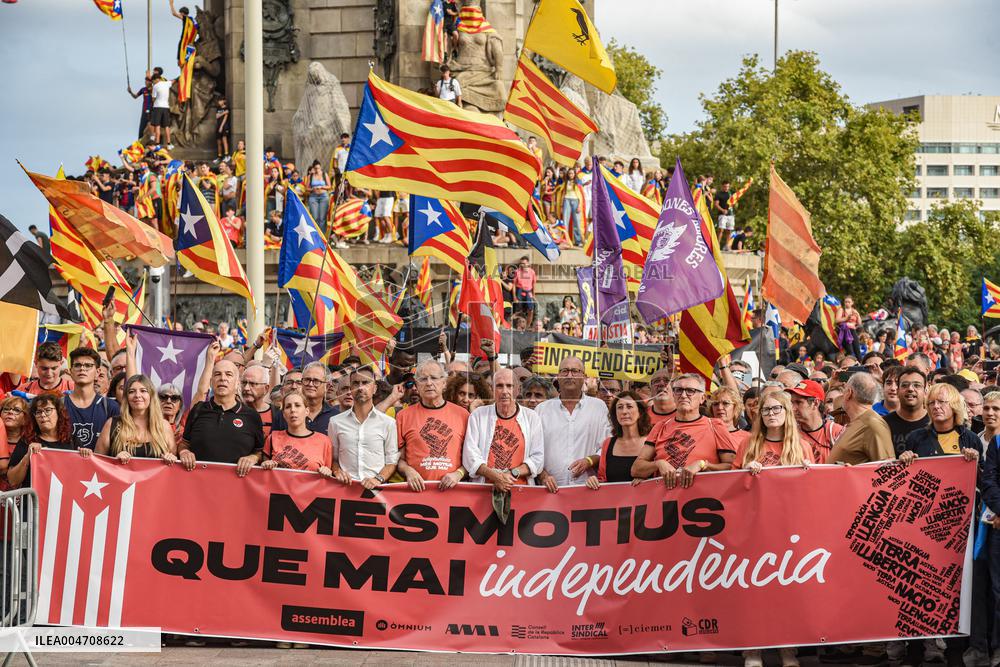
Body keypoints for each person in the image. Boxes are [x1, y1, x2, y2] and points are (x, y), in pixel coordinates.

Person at [632, 373, 736, 488]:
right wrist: (659, 464)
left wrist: (703, 465)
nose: (683, 395)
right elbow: (636, 469)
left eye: (690, 390)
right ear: (673, 395)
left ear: (702, 398)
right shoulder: (660, 426)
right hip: (667, 500)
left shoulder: (715, 425)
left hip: (704, 498)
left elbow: (732, 466)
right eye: (678, 390)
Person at [535, 356, 611, 491]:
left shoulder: (598, 407)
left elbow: (607, 446)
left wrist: (589, 461)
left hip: (588, 490)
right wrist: (543, 476)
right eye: (565, 371)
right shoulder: (542, 409)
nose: (569, 375)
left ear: (584, 376)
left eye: (575, 371)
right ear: (558, 376)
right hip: (549, 492)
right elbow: (533, 451)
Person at [179, 360, 265, 476]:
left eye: (228, 374)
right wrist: (184, 452)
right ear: (211, 382)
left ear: (237, 383)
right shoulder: (198, 410)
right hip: (197, 485)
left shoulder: (252, 416)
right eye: (217, 374)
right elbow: (185, 443)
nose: (222, 378)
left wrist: (252, 458)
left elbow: (259, 451)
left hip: (237, 487)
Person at [463, 368, 544, 490]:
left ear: (518, 390)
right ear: (492, 389)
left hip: (522, 492)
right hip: (484, 491)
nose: (504, 391)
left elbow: (537, 459)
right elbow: (470, 457)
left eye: (509, 386)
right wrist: (495, 476)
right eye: (500, 386)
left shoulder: (532, 418)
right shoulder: (478, 415)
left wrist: (512, 473)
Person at [394, 360, 469, 491]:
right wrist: (408, 471)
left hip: (455, 494)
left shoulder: (463, 415)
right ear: (416, 384)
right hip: (417, 494)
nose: (429, 383)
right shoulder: (403, 416)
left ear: (444, 383)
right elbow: (397, 459)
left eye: (434, 378)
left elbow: (473, 458)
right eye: (423, 379)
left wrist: (458, 474)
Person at [328, 366, 398, 488]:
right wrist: (337, 471)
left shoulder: (388, 423)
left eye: (365, 382)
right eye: (356, 383)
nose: (360, 387)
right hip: (344, 490)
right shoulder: (335, 422)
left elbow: (391, 462)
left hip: (377, 493)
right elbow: (333, 458)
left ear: (374, 388)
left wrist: (378, 479)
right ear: (350, 388)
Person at [95, 375, 176, 463]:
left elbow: (174, 464)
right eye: (132, 391)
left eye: (143, 391)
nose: (137, 395)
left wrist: (171, 459)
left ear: (151, 395)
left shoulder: (164, 426)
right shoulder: (111, 424)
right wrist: (114, 461)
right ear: (126, 397)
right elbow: (97, 462)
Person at [827, 372, 894, 465]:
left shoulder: (873, 424)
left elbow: (887, 470)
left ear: (848, 393)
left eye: (844, 391)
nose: (842, 395)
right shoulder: (859, 421)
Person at [587, 391, 649, 488]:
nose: (624, 412)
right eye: (620, 407)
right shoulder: (608, 444)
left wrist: (647, 482)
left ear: (640, 412)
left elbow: (658, 477)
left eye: (629, 406)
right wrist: (593, 481)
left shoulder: (651, 441)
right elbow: (602, 479)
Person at [261, 392, 333, 475]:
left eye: (297, 405)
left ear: (307, 411)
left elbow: (329, 475)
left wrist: (328, 472)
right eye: (288, 407)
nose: (293, 410)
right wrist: (266, 465)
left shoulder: (324, 441)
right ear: (283, 414)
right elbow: (264, 476)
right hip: (278, 488)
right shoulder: (272, 438)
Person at [64, 347, 120, 451]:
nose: (82, 369)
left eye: (88, 365)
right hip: (65, 465)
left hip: (99, 466)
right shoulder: (59, 405)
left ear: (98, 372)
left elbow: (118, 444)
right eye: (77, 365)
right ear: (71, 371)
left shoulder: (111, 407)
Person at [272, 362, 337, 434]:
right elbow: (274, 442)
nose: (310, 384)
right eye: (307, 380)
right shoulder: (285, 414)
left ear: (327, 386)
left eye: (316, 381)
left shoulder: (336, 416)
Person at [789, 380, 842, 464]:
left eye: (798, 402)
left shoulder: (835, 432)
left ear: (815, 403)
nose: (793, 408)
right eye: (792, 403)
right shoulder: (791, 433)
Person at [882, 366, 930, 456]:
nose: (910, 389)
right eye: (904, 385)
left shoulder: (936, 422)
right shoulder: (884, 424)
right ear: (897, 391)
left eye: (917, 385)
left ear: (925, 391)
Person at [708, 386, 749, 454]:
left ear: (736, 407)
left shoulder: (747, 438)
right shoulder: (704, 434)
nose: (719, 407)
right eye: (715, 404)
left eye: (725, 403)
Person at [0, 397, 27, 490]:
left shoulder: (30, 442)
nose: (10, 412)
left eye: (17, 410)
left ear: (25, 419)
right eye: (6, 409)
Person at [148, 69, 173, 148]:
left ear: (156, 79)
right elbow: (173, 81)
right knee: (166, 126)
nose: (153, 83)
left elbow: (153, 99)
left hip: (157, 107)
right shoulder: (167, 83)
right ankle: (169, 144)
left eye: (153, 81)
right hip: (166, 107)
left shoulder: (155, 86)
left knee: (157, 125)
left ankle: (157, 143)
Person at [127, 69, 155, 139]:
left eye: (147, 81)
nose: (145, 82)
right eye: (145, 81)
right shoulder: (143, 89)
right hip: (144, 110)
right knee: (142, 125)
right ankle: (140, 139)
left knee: (149, 123)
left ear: (150, 82)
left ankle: (152, 137)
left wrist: (148, 75)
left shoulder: (153, 89)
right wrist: (130, 92)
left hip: (151, 109)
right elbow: (135, 96)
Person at [305, 161, 331, 227]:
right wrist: (312, 189)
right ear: (313, 168)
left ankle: (322, 235)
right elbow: (307, 188)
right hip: (313, 196)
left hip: (323, 196)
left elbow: (329, 186)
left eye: (319, 168)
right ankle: (315, 235)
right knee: (314, 217)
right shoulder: (310, 176)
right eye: (316, 168)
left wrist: (322, 187)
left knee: (322, 218)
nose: (317, 170)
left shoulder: (324, 174)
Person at [514, 256, 538, 327]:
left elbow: (534, 284)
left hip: (529, 291)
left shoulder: (532, 272)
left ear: (528, 263)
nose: (523, 265)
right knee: (519, 310)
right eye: (521, 263)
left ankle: (527, 326)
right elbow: (514, 285)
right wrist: (514, 297)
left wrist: (533, 295)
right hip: (520, 290)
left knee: (531, 309)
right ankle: (518, 326)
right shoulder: (517, 272)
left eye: (524, 263)